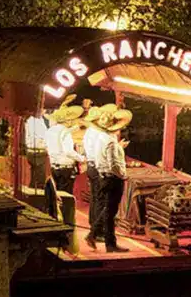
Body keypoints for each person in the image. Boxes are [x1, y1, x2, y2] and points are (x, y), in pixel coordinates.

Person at [89, 107, 131, 252]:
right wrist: (123, 175)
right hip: (113, 179)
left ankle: (96, 235)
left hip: (103, 176)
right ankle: (109, 243)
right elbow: (113, 164)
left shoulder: (101, 139)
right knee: (110, 212)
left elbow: (102, 158)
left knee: (107, 210)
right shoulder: (111, 142)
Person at [44, 102, 85, 246]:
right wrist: (82, 158)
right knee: (66, 197)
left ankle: (55, 223)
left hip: (54, 165)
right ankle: (66, 230)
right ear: (67, 120)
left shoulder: (49, 131)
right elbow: (68, 151)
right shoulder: (65, 133)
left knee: (56, 197)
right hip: (66, 166)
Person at [80, 105, 112, 250]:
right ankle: (97, 231)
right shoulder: (98, 134)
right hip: (98, 168)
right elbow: (101, 153)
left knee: (94, 197)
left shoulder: (88, 132)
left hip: (91, 166)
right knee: (101, 200)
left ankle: (93, 224)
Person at [24, 110, 50, 210]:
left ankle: (31, 202)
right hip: (37, 152)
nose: (45, 111)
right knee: (39, 180)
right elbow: (41, 137)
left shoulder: (35, 120)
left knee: (35, 178)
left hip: (33, 151)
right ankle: (36, 206)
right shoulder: (34, 121)